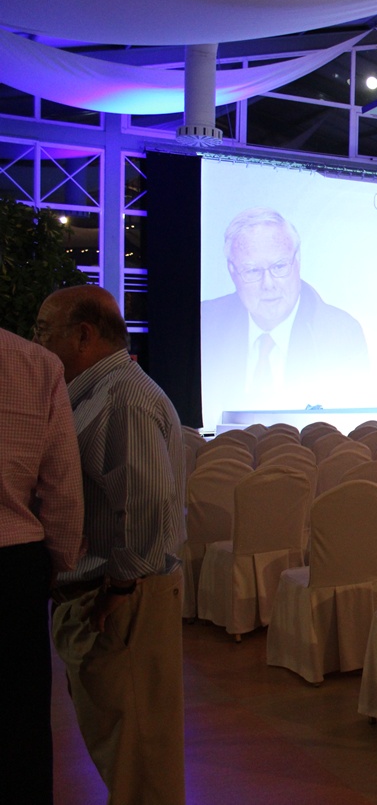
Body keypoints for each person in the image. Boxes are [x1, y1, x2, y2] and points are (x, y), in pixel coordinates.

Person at [34, 285, 187, 805]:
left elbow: (146, 502)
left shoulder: (121, 397)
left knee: (140, 764)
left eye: (42, 331)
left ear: (83, 335)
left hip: (123, 601)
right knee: (129, 755)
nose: (35, 344)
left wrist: (120, 587)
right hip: (113, 597)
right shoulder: (103, 393)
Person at [0, 327, 84, 805]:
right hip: (13, 565)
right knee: (19, 719)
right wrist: (59, 562)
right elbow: (62, 487)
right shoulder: (34, 363)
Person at [200, 207, 369, 423]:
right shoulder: (206, 323)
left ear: (297, 260)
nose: (268, 284)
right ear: (232, 271)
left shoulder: (342, 333)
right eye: (252, 271)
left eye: (279, 266)